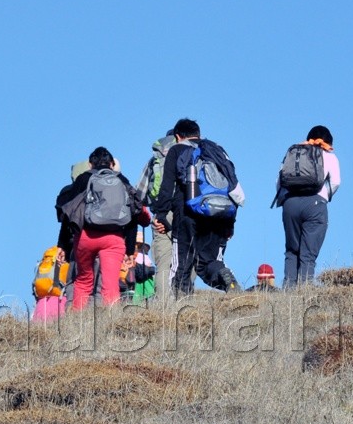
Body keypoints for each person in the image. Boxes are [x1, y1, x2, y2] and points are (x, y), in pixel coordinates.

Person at [151, 118, 241, 296]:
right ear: (198, 134)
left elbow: (167, 186)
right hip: (217, 212)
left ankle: (180, 305)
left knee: (181, 263)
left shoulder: (177, 150)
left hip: (187, 212)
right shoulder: (216, 150)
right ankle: (223, 275)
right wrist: (230, 223)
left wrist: (161, 215)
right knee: (207, 262)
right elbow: (233, 186)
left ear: (177, 136)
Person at [55, 147, 142, 310]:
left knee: (83, 282)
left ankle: (77, 323)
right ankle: (110, 323)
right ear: (112, 164)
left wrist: (63, 245)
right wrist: (130, 250)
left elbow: (69, 212)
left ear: (90, 164)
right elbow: (134, 214)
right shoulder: (122, 181)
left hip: (86, 237)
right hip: (114, 239)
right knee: (110, 285)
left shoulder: (83, 179)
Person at [273, 125, 341, 286]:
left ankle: (288, 290)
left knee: (291, 250)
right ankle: (304, 290)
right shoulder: (329, 156)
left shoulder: (294, 153)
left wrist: (286, 201)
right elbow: (336, 182)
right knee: (308, 253)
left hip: (290, 204)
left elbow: (279, 181)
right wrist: (324, 195)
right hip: (315, 204)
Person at [135, 131, 192, 295]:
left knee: (164, 262)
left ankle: (163, 305)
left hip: (161, 215)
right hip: (188, 213)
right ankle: (184, 299)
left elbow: (139, 194)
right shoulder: (192, 155)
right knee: (188, 257)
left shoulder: (155, 160)